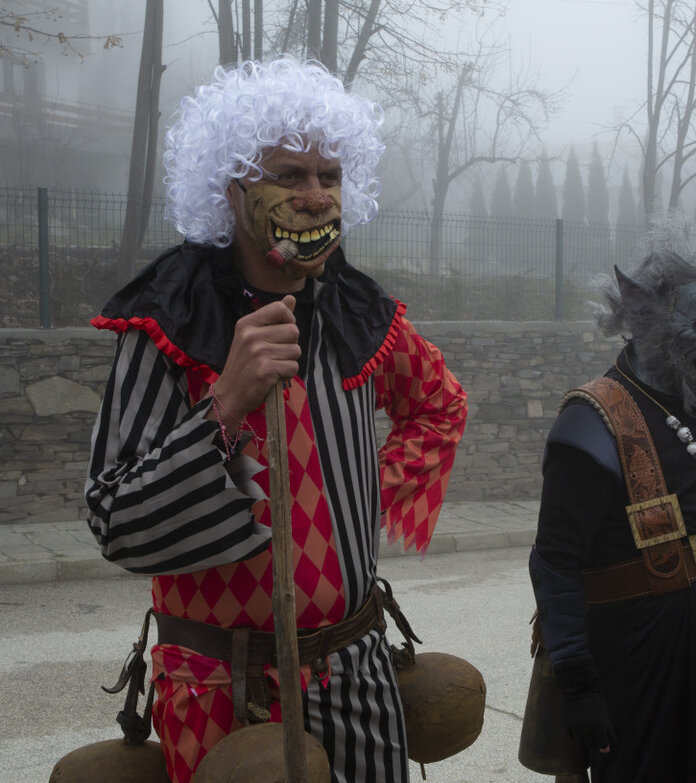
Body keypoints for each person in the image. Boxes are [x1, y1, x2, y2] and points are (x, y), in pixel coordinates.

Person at [84, 57, 467, 783]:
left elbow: (439, 404)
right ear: (232, 190)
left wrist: (362, 502)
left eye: (330, 175)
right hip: (221, 698)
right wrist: (225, 403)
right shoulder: (167, 321)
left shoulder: (362, 313)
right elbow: (115, 520)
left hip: (358, 681)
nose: (316, 196)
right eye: (289, 175)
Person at [527, 234, 696, 783]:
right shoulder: (590, 428)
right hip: (642, 663)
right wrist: (578, 684)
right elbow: (555, 563)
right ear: (645, 321)